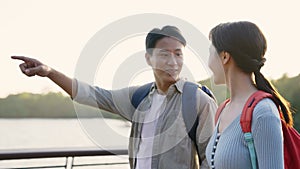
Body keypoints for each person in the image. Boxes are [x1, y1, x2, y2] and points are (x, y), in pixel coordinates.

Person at [12, 25, 217, 169]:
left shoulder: (198, 100)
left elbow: (211, 160)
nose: (172, 61)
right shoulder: (139, 98)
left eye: (178, 54)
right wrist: (49, 72)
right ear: (148, 58)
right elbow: (91, 95)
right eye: (164, 54)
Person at [205, 21, 293, 169]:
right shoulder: (222, 110)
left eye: (210, 53)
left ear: (225, 57)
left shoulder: (263, 112)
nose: (208, 63)